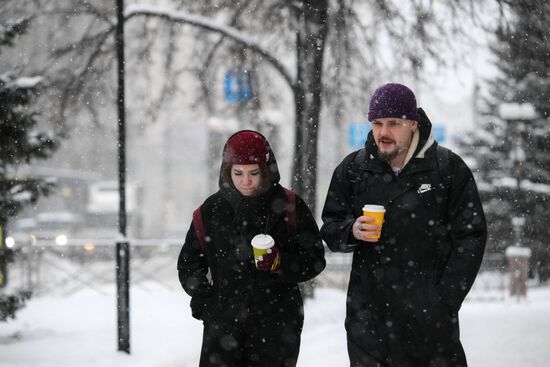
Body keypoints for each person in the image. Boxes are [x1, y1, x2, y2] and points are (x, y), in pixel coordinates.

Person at [320, 83, 487, 366]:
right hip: (368, 322)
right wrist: (352, 231)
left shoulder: (446, 168)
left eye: (393, 123)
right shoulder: (354, 170)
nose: (383, 132)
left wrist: (443, 300)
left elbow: (471, 236)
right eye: (377, 123)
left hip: (429, 323)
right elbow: (331, 225)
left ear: (413, 123)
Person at [178, 130, 326, 367]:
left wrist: (280, 263)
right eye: (238, 173)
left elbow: (315, 259)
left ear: (266, 171)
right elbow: (189, 264)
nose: (245, 181)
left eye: (253, 173)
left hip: (277, 327)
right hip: (223, 329)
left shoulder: (289, 205)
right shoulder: (210, 210)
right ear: (227, 171)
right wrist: (207, 302)